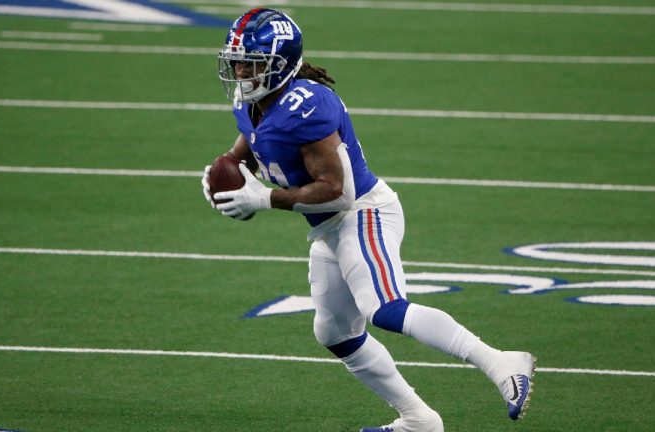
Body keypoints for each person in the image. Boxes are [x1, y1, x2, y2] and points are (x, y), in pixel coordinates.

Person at [202, 8, 535, 432]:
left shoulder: (306, 106)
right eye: (237, 60)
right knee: (335, 331)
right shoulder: (255, 102)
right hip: (328, 228)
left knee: (384, 308)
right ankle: (419, 419)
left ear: (281, 63)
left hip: (363, 214)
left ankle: (500, 361)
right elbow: (250, 143)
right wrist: (224, 171)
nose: (240, 70)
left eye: (251, 61)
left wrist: (264, 198)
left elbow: (339, 193)